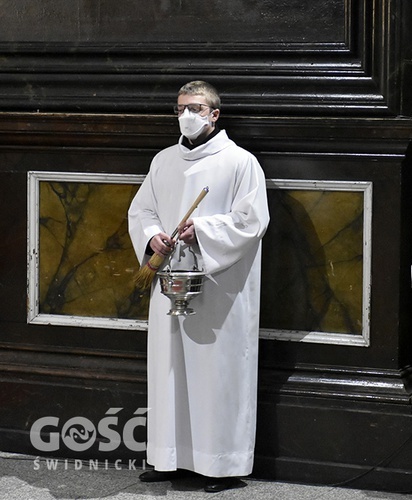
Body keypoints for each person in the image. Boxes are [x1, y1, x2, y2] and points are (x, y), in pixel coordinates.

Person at [128, 80, 270, 492]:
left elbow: (251, 221)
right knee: (169, 369)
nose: (186, 115)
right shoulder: (164, 160)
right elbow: (143, 209)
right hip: (170, 281)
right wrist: (153, 235)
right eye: (180, 108)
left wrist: (202, 231)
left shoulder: (240, 162)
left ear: (214, 114)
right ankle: (169, 458)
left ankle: (221, 465)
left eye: (195, 107)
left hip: (220, 289)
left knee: (217, 372)